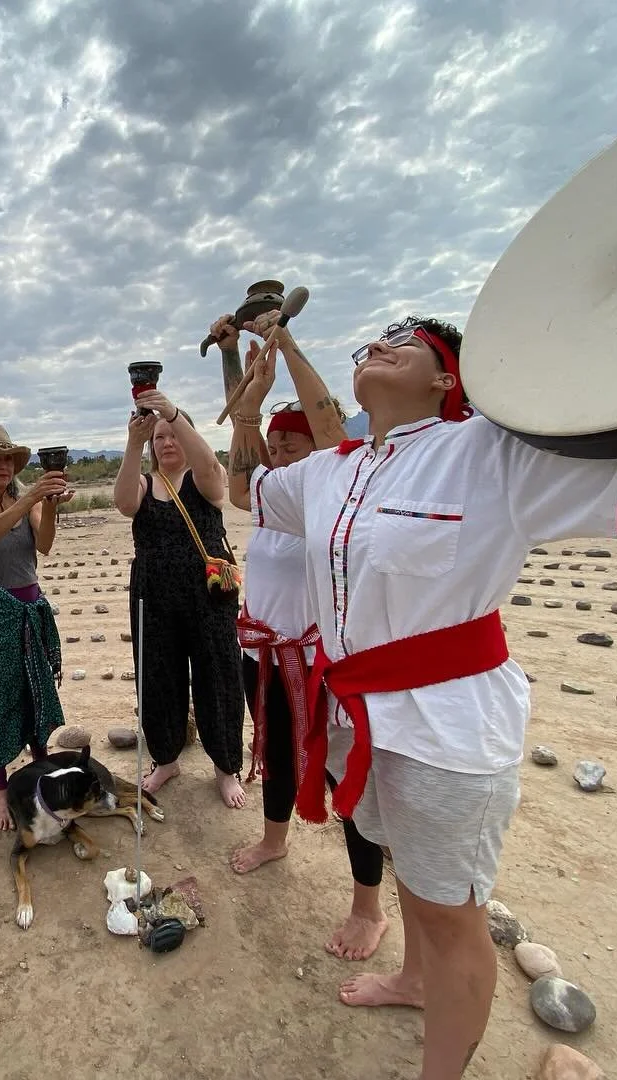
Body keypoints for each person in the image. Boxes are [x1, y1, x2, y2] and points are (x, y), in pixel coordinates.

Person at [230, 310, 617, 1080]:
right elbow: (241, 489)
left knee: (449, 911)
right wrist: (245, 403)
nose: (378, 347)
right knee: (412, 880)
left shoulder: (493, 453)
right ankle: (415, 980)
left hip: (449, 730)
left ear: (447, 379)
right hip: (358, 719)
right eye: (370, 342)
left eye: (405, 342)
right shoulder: (336, 468)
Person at [215, 316, 392, 964]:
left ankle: (368, 907)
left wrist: (285, 347)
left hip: (320, 662)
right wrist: (246, 396)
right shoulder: (272, 499)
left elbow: (331, 432)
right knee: (277, 754)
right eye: (276, 447)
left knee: (347, 779)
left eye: (293, 448)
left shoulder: (332, 492)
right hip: (260, 651)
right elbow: (240, 462)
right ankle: (274, 838)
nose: (282, 455)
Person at [114, 383, 247, 808]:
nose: (167, 442)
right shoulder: (144, 480)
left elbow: (209, 462)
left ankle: (226, 767)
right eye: (160, 438)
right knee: (157, 680)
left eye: (173, 434)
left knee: (218, 677)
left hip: (207, 598)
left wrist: (171, 414)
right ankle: (165, 760)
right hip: (152, 598)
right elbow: (123, 504)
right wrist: (134, 442)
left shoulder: (204, 477)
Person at [0, 424, 72, 830]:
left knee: (36, 688)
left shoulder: (25, 496)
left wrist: (52, 503)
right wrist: (31, 498)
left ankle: (41, 763)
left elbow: (43, 544)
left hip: (32, 603)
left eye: (8, 458)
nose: (3, 465)